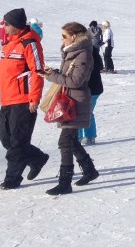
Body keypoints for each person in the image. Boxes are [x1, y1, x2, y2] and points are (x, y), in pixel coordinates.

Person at [0, 8, 49, 190]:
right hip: (7, 99)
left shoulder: (30, 44)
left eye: (7, 23)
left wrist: (34, 98)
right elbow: (1, 72)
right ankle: (37, 157)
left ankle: (13, 178)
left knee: (18, 143)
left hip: (24, 101)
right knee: (6, 140)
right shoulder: (8, 46)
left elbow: (38, 72)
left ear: (16, 26)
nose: (4, 26)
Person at [40, 21, 99, 194]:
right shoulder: (73, 52)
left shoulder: (83, 55)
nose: (62, 39)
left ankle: (65, 182)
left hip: (76, 102)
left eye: (64, 36)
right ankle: (89, 170)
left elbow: (75, 81)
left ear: (74, 36)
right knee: (71, 140)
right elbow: (68, 76)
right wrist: (52, 73)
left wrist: (52, 76)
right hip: (71, 99)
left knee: (65, 141)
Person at [78, 26, 104, 146]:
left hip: (91, 88)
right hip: (92, 87)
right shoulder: (91, 50)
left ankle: (88, 136)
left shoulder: (86, 52)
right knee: (82, 112)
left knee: (84, 112)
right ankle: (82, 136)